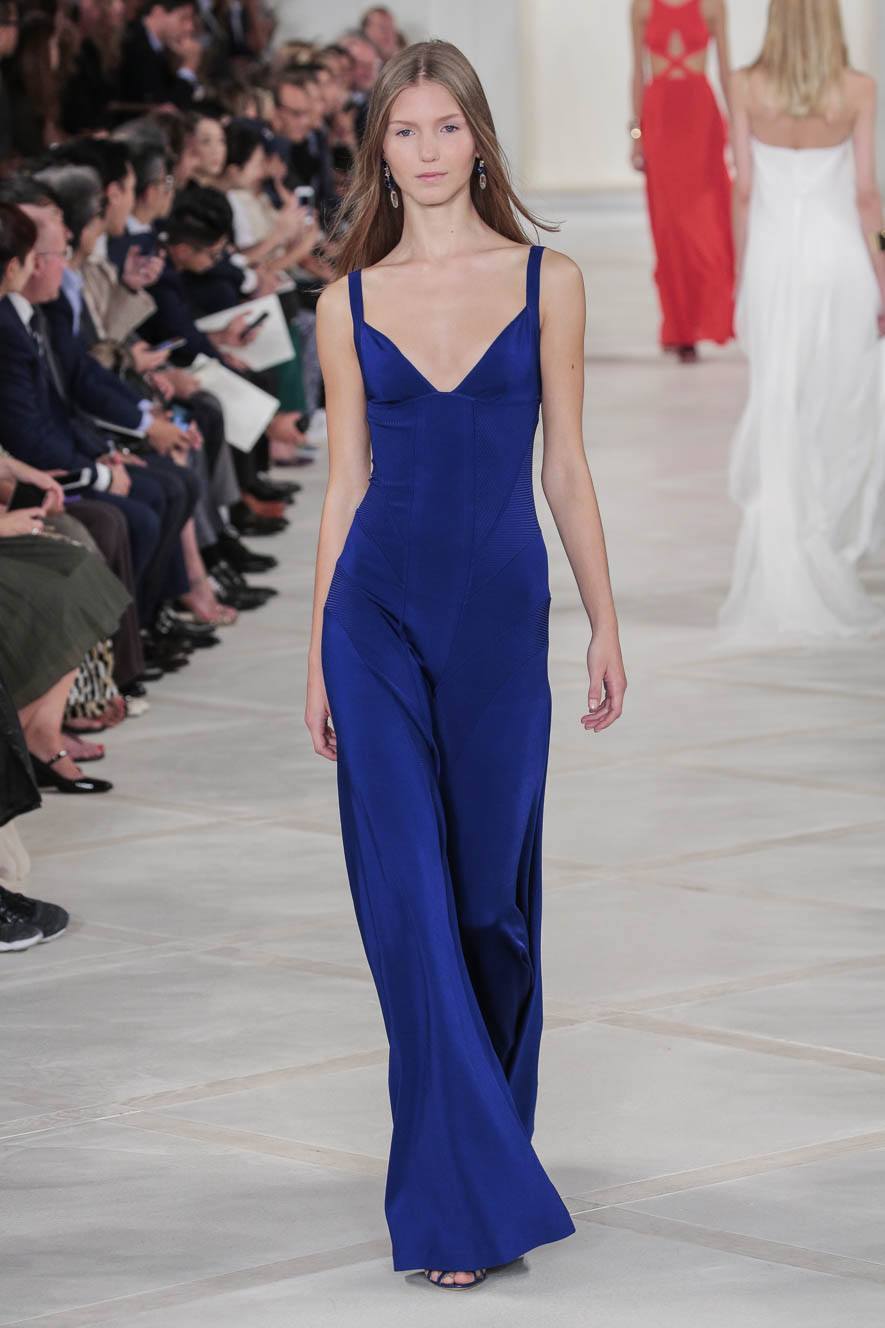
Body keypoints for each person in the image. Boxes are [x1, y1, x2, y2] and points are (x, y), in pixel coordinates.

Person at [305, 39, 626, 1288]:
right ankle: (454, 1199)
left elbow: (566, 466)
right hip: (374, 618)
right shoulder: (346, 303)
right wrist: (318, 656)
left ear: (479, 140)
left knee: (489, 909)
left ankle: (486, 1144)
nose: (428, 150)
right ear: (378, 152)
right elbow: (344, 484)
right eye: (405, 131)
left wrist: (604, 619)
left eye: (446, 127)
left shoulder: (550, 280)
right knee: (412, 904)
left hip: (499, 620)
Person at [721, 0, 885, 640]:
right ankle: (827, 538)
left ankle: (792, 542)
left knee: (779, 402)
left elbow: (743, 189)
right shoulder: (858, 90)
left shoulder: (745, 85)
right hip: (839, 262)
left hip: (772, 265)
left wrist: (741, 275)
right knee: (836, 407)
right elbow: (867, 196)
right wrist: (884, 274)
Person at [630, 0, 735, 361]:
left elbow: (726, 70)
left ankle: (709, 316)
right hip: (660, 117)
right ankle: (680, 327)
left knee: (706, 223)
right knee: (668, 227)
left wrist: (737, 126)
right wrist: (636, 134)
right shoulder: (642, 7)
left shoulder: (712, 5)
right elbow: (638, 71)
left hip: (701, 117)